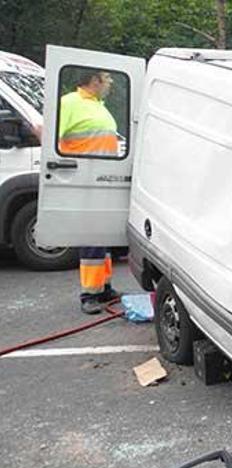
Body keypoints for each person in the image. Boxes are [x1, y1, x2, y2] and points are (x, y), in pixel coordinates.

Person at [58, 70, 120, 313]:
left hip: (103, 179)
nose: (109, 84)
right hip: (85, 179)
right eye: (107, 80)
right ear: (94, 80)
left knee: (102, 235)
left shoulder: (97, 105)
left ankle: (103, 288)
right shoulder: (70, 103)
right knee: (92, 238)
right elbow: (49, 133)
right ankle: (89, 294)